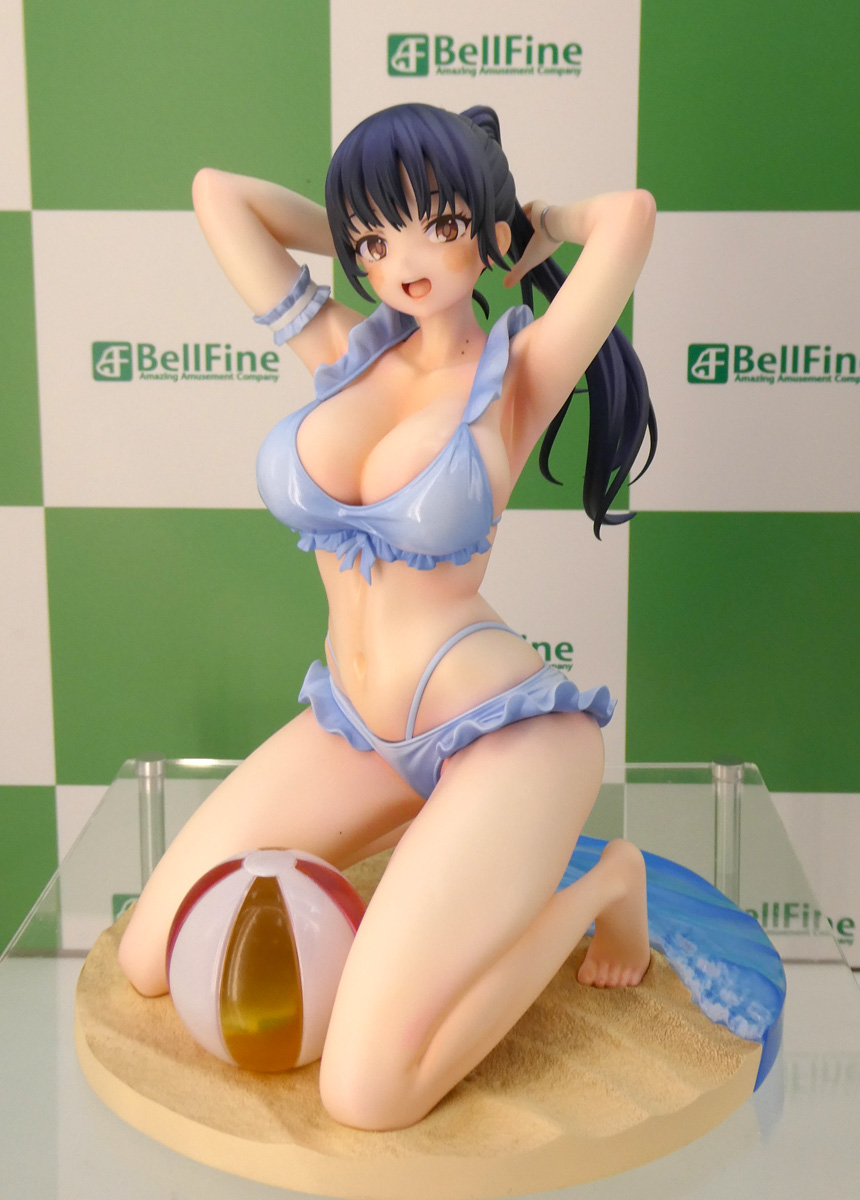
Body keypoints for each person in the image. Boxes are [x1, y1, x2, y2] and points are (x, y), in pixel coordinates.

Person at [118, 103, 657, 1132]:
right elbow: (217, 197)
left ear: (483, 230)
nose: (402, 264)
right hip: (357, 728)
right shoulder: (341, 348)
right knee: (151, 955)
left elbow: (628, 217)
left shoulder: (518, 376)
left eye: (435, 227)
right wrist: (368, 229)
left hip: (499, 734)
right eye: (374, 239)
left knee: (368, 1093)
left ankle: (601, 889)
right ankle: (436, 844)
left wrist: (527, 221)